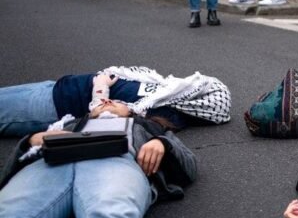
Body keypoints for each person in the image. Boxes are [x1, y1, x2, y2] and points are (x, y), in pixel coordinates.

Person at [0, 111, 197, 218]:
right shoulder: (69, 124)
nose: (106, 102)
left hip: (115, 161)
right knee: (9, 217)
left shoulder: (146, 126)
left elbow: (190, 166)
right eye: (100, 102)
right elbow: (11, 169)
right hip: (50, 163)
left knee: (110, 211)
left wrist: (162, 143)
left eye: (114, 101)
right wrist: (30, 140)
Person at [0, 65, 232, 137]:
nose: (195, 81)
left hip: (54, 105)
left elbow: (103, 117)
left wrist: (100, 87)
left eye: (202, 89)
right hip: (60, 86)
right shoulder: (163, 87)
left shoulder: (163, 113)